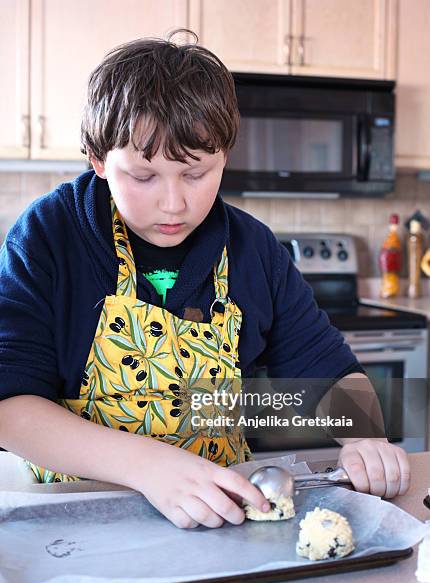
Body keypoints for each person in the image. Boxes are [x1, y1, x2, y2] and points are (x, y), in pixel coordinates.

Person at [0, 29, 410, 528]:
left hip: (220, 519)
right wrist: (149, 466)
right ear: (98, 159)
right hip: (77, 520)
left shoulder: (252, 249)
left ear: (225, 156)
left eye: (197, 174)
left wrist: (367, 438)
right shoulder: (50, 236)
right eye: (144, 177)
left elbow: (327, 366)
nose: (174, 204)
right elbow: (11, 404)